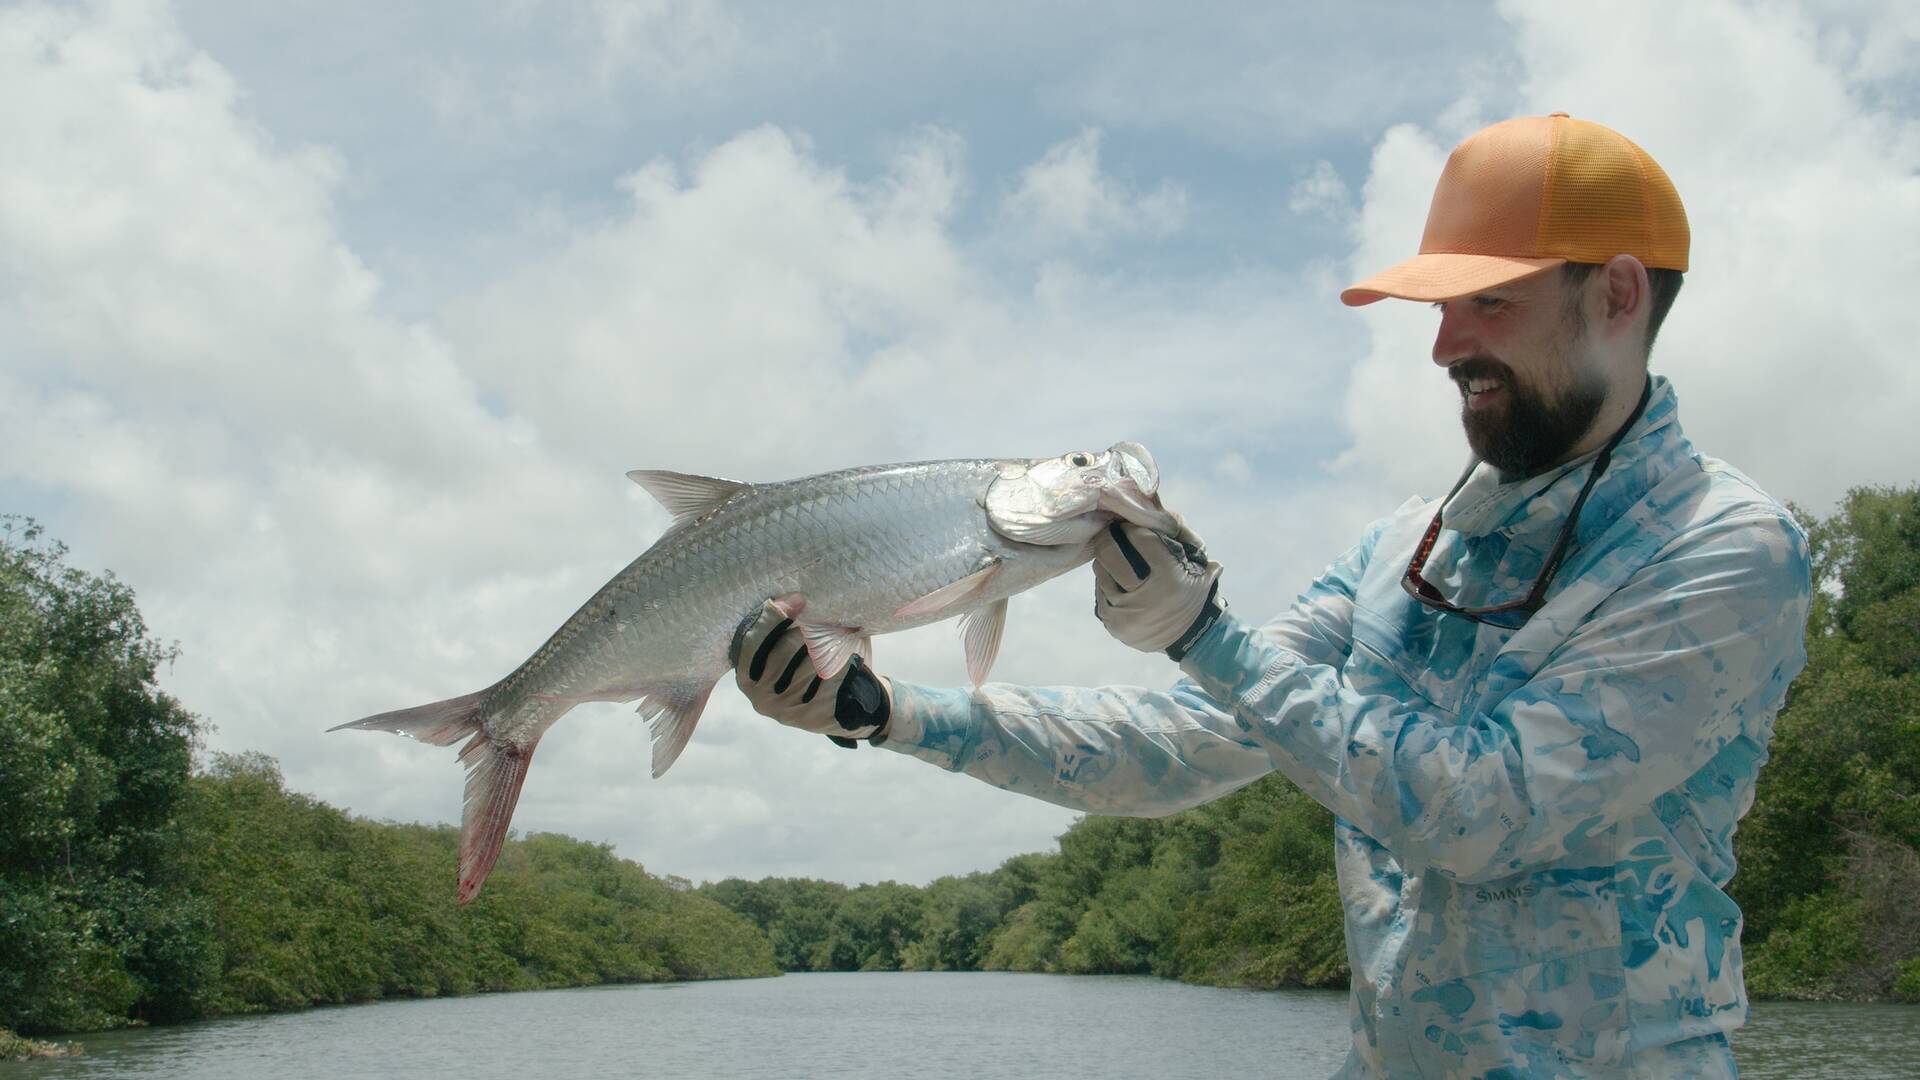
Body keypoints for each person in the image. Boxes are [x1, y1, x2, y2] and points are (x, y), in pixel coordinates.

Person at [733, 114, 1812, 1078]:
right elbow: (1182, 743)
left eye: (1488, 301)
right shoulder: (1406, 545)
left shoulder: (1727, 552)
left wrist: (1207, 637)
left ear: (1617, 294)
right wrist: (886, 711)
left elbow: (1488, 814)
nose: (1443, 347)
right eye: (1439, 308)